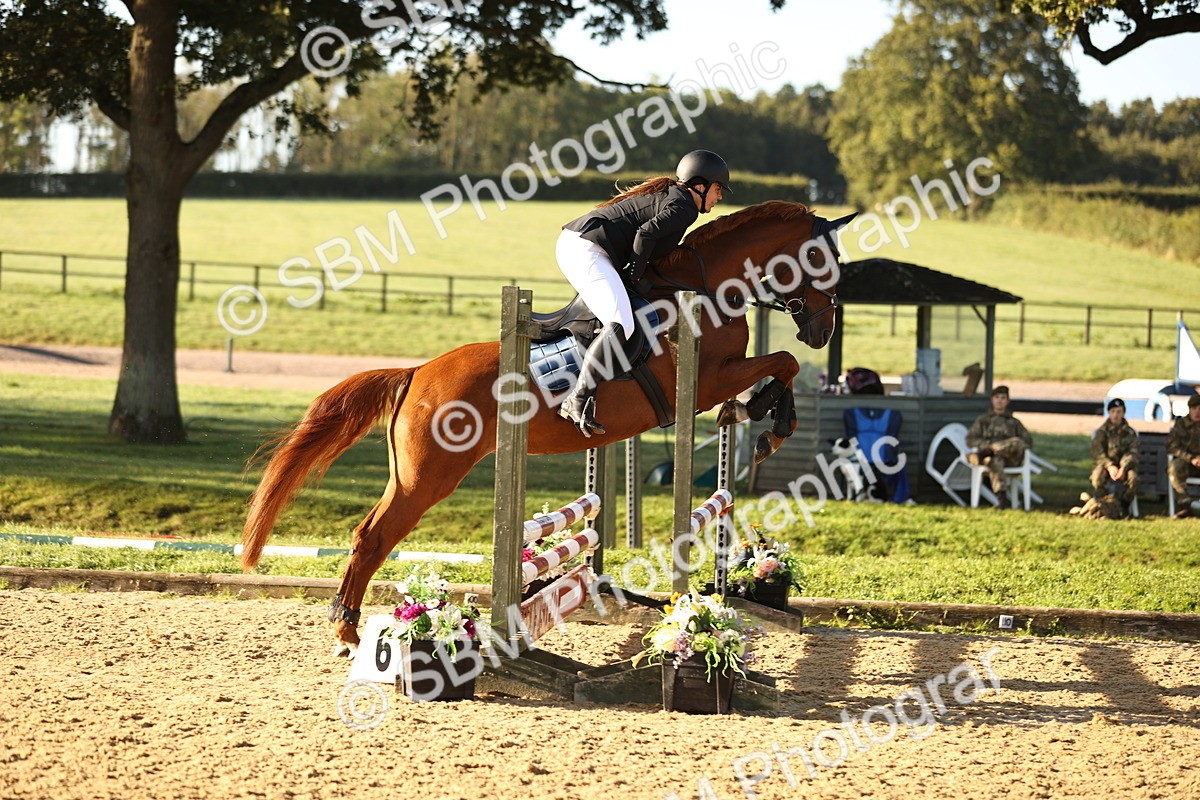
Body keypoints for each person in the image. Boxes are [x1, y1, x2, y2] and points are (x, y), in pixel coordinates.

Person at [554, 150, 730, 436]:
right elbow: (645, 235)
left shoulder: (677, 198)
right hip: (586, 249)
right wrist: (634, 276)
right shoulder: (684, 207)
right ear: (700, 185)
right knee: (621, 322)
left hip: (587, 245)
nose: (719, 196)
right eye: (718, 189)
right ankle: (577, 397)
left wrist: (634, 275)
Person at [966, 385, 1032, 509]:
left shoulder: (1014, 422)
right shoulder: (983, 421)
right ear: (992, 399)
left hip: (1011, 459)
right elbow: (971, 439)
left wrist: (996, 448)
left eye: (1003, 398)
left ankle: (985, 453)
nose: (999, 401)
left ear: (1008, 401)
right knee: (995, 460)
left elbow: (1027, 441)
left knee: (1017, 441)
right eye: (997, 397)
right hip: (994, 459)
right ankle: (1002, 500)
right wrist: (985, 445)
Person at [1090, 398, 1140, 515]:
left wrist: (1123, 468)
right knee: (1097, 477)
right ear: (1109, 412)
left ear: (1123, 413)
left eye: (1118, 411)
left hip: (1125, 467)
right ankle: (1102, 504)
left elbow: (1133, 452)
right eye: (1113, 411)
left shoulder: (1130, 433)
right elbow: (1097, 453)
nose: (1115, 415)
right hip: (1105, 466)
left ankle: (1123, 506)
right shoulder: (1101, 432)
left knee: (1133, 479)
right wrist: (1110, 466)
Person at [1167, 393, 1200, 518]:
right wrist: (1191, 458)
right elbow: (1172, 447)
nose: (1197, 412)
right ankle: (1185, 505)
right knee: (1174, 467)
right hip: (1187, 463)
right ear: (1189, 409)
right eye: (1194, 408)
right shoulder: (1180, 425)